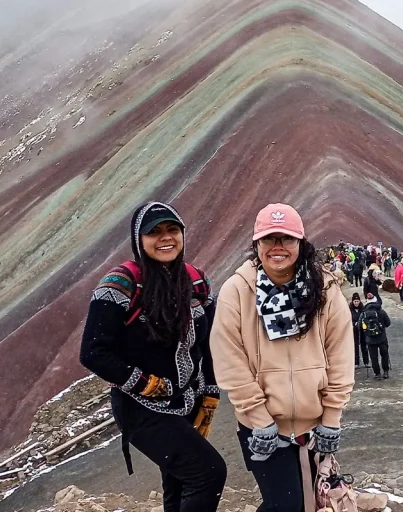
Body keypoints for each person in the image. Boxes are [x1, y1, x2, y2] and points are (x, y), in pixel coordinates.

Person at [80, 201, 226, 512]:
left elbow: (209, 343)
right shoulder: (119, 285)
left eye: (172, 230)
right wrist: (144, 382)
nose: (165, 238)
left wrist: (210, 394)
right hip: (140, 408)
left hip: (187, 402)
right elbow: (93, 352)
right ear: (138, 239)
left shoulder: (197, 282)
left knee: (180, 484)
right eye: (154, 232)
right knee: (209, 473)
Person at [210, 203, 354, 512]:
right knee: (287, 505)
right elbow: (229, 360)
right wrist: (259, 419)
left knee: (302, 503)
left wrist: (331, 419)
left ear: (301, 244)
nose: (278, 247)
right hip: (260, 427)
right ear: (256, 244)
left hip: (313, 427)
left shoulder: (325, 291)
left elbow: (340, 357)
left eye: (286, 239)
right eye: (269, 239)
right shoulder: (236, 291)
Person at [360, 293, 392, 380]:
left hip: (370, 339)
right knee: (384, 354)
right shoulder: (381, 311)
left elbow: (359, 325)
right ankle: (385, 371)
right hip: (382, 338)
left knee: (374, 357)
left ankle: (377, 373)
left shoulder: (364, 313)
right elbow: (388, 323)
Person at [349, 292, 369, 369]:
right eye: (355, 301)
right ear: (352, 301)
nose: (356, 303)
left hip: (362, 330)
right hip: (354, 330)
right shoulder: (349, 309)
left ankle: (366, 362)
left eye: (357, 301)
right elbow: (348, 319)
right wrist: (354, 324)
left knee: (364, 346)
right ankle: (356, 363)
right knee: (355, 346)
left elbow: (365, 318)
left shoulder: (363, 309)